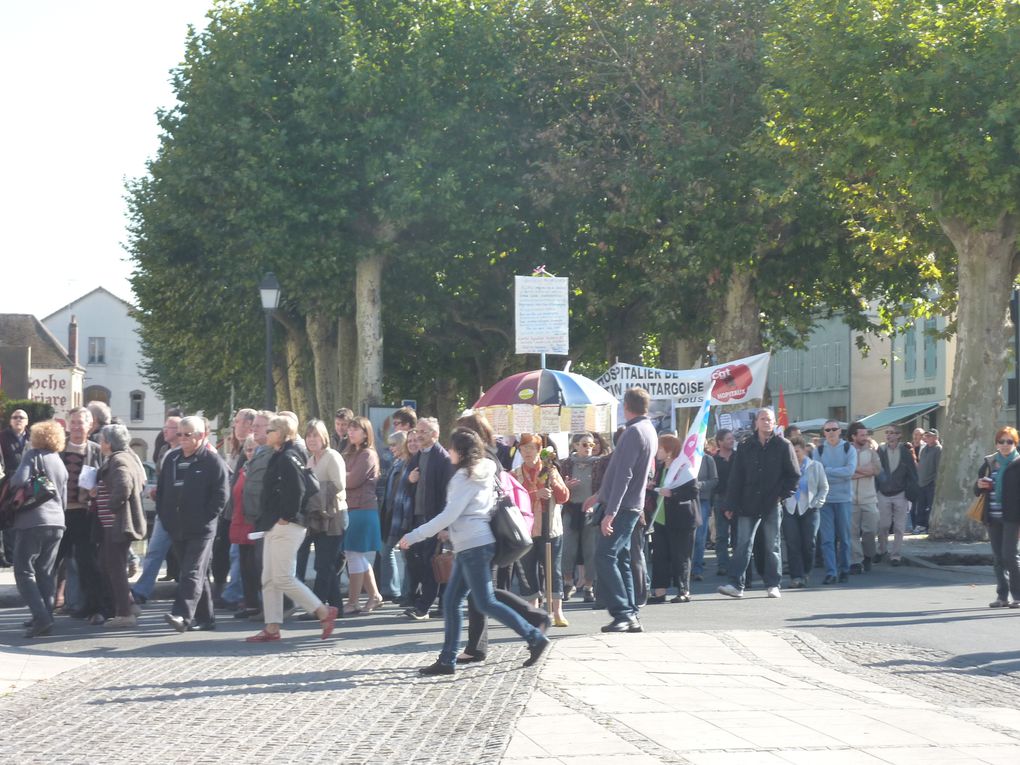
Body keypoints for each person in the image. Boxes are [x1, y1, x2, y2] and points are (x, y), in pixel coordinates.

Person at [399, 428, 550, 675]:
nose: (448, 452)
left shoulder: (463, 478)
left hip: (473, 545)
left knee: (485, 601)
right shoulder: (486, 470)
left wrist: (414, 536)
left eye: (452, 448)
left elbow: (449, 515)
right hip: (474, 544)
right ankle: (447, 660)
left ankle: (534, 636)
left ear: (460, 452)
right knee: (452, 601)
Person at [454, 412, 549, 664]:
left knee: (484, 593)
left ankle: (532, 619)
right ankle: (477, 646)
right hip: (485, 531)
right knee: (480, 592)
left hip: (484, 532)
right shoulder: (489, 456)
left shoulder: (483, 459)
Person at [245, 415, 339, 642]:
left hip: (287, 525)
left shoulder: (287, 457)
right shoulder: (280, 455)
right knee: (269, 578)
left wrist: (286, 517)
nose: (266, 434)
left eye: (270, 430)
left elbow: (296, 490)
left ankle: (323, 611)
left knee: (283, 577)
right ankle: (272, 626)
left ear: (280, 433)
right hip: (274, 524)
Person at [588, 388, 657, 633]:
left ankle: (623, 612)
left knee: (604, 556)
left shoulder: (632, 432)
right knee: (622, 558)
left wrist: (610, 511)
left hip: (623, 506)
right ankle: (631, 613)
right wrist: (600, 498)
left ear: (626, 406)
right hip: (631, 504)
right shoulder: (648, 430)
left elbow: (624, 475)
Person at [718, 408, 800, 600]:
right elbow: (736, 477)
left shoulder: (783, 445)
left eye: (769, 419)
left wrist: (782, 495)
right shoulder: (746, 445)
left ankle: (773, 584)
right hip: (748, 502)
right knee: (743, 544)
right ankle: (736, 584)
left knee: (772, 545)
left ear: (774, 422)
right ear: (756, 422)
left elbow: (794, 475)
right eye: (762, 419)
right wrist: (730, 504)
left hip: (772, 502)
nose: (766, 422)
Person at [157, 416, 230, 633]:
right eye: (179, 434)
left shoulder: (212, 461)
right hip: (176, 526)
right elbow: (162, 491)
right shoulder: (171, 459)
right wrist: (165, 515)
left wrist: (206, 517)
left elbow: (221, 496)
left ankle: (182, 615)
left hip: (201, 529)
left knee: (191, 572)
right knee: (195, 573)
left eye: (187, 434)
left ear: (200, 436)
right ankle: (206, 618)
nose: (182, 438)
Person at [11, 420, 68, 637]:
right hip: (57, 522)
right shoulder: (58, 462)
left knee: (23, 570)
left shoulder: (33, 456)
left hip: (33, 521)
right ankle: (46, 616)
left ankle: (41, 617)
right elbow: (62, 497)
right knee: (45, 572)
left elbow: (18, 481)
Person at [94, 424, 147, 628]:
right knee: (107, 564)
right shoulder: (124, 457)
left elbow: (123, 485)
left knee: (114, 567)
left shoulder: (119, 460)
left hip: (117, 524)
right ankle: (130, 604)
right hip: (114, 524)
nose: (99, 443)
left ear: (108, 442)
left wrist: (110, 504)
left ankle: (125, 613)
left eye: (101, 439)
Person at [513, 433, 570, 626]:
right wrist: (535, 494)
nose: (527, 452)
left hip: (550, 527)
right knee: (528, 570)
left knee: (553, 569)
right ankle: (534, 611)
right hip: (526, 529)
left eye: (531, 448)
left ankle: (557, 611)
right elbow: (512, 501)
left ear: (539, 450)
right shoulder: (515, 474)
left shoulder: (550, 469)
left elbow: (564, 497)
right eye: (524, 448)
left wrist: (553, 482)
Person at [55, 406, 104, 620]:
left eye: (80, 422)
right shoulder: (58, 449)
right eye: (72, 422)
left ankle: (92, 607)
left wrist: (98, 489)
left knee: (87, 562)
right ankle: (42, 609)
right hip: (59, 513)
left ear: (90, 425)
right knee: (51, 562)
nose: (76, 427)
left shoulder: (97, 450)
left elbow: (106, 477)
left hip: (85, 514)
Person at [403, 416, 453, 620]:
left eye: (423, 431)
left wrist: (444, 526)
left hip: (435, 519)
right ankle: (436, 602)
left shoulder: (442, 458)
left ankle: (424, 606)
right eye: (417, 431)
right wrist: (410, 479)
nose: (419, 435)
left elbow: (447, 495)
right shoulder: (417, 456)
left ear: (435, 434)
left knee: (430, 562)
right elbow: (408, 485)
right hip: (418, 517)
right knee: (418, 560)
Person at [648, 434, 699, 603]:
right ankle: (660, 591)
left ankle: (683, 590)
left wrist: (672, 493)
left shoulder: (683, 467)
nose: (657, 452)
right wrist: (652, 487)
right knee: (659, 555)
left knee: (681, 555)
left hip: (681, 519)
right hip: (660, 518)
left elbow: (693, 491)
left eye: (660, 448)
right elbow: (659, 487)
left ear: (669, 451)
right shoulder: (661, 467)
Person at [304, 419, 347, 611]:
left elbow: (338, 485)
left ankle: (319, 608)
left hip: (334, 517)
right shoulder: (310, 460)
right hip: (317, 518)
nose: (312, 439)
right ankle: (336, 607)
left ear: (324, 437)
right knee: (324, 565)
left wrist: (314, 494)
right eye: (309, 435)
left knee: (324, 564)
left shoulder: (332, 456)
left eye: (315, 435)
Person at [559, 433, 607, 603]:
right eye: (585, 444)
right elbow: (556, 488)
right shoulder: (565, 464)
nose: (589, 448)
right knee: (567, 549)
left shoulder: (599, 463)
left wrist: (595, 500)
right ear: (575, 446)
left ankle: (588, 586)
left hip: (590, 511)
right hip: (571, 509)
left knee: (590, 549)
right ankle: (567, 582)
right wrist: (564, 486)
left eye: (591, 445)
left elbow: (604, 486)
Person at [342, 415, 383, 615]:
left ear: (366, 432)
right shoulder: (350, 453)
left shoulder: (368, 454)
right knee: (355, 554)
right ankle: (374, 596)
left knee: (353, 554)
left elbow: (352, 481)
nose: (350, 432)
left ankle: (353, 601)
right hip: (351, 508)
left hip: (363, 509)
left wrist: (336, 476)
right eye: (350, 428)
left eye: (355, 429)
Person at [978, 426, 1020, 608]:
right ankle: (1001, 596)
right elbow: (977, 489)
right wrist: (979, 484)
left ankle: (1017, 596)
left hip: (1012, 517)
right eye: (1001, 441)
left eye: (1009, 441)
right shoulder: (989, 463)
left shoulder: (1018, 463)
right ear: (996, 443)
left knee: (1009, 555)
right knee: (997, 557)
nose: (1004, 445)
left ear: (1015, 443)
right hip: (992, 516)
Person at [781, 436, 828, 588]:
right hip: (790, 507)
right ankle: (796, 576)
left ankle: (806, 572)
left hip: (810, 508)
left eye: (797, 451)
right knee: (792, 543)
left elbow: (824, 487)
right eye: (792, 452)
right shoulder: (786, 467)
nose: (795, 455)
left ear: (804, 450)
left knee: (809, 543)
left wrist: (817, 503)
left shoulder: (815, 466)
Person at [816, 420, 857, 585]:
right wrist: (834, 473)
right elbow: (817, 474)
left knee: (845, 538)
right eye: (828, 430)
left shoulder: (849, 448)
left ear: (840, 431)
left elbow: (849, 471)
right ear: (824, 432)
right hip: (825, 500)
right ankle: (831, 572)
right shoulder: (818, 450)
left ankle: (845, 569)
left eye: (834, 429)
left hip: (844, 499)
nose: (831, 432)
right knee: (827, 539)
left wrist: (827, 471)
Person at [228, 435, 261, 618]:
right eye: (248, 449)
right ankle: (250, 605)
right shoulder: (243, 469)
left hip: (254, 523)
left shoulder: (259, 470)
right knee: (245, 567)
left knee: (255, 567)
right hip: (241, 521)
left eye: (254, 449)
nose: (250, 453)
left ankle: (260, 604)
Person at [876, 426, 918, 566]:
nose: (889, 436)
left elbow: (912, 474)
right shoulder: (880, 451)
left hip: (900, 493)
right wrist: (877, 489)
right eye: (887, 433)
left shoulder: (905, 452)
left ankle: (896, 555)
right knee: (883, 525)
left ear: (898, 435)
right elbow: (876, 471)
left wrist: (911, 493)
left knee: (900, 527)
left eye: (892, 433)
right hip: (883, 493)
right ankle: (882, 550)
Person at [378, 430, 409, 602]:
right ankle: (393, 589)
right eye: (390, 445)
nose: (391, 448)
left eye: (394, 444)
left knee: (394, 552)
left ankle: (397, 590)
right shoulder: (397, 463)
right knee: (387, 550)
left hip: (400, 515)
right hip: (390, 514)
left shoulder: (406, 463)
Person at [849, 422, 880, 575]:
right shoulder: (846, 450)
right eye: (862, 435)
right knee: (852, 532)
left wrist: (856, 470)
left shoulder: (872, 451)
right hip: (851, 499)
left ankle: (868, 555)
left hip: (869, 498)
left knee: (870, 530)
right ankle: (856, 561)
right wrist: (866, 472)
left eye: (866, 434)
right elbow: (846, 473)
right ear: (853, 436)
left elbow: (877, 469)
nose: (865, 437)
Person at [1, 408, 31, 567]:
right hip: (7, 484)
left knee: (25, 518)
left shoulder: (32, 438)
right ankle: (8, 555)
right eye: (15, 417)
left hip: (28, 485)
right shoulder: (2, 437)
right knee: (7, 519)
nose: (18, 419)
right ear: (10, 421)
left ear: (27, 422)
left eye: (21, 417)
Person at [712, 428, 737, 576]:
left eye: (732, 438)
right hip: (720, 498)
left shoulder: (739, 457)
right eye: (728, 439)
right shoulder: (714, 460)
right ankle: (723, 564)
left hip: (736, 499)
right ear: (720, 442)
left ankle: (737, 563)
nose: (731, 441)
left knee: (737, 533)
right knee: (721, 534)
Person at [691, 452, 718, 581]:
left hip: (702, 500)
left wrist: (700, 485)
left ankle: (697, 569)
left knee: (700, 537)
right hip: (685, 500)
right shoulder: (683, 457)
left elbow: (714, 480)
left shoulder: (707, 459)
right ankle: (685, 569)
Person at [914, 428, 941, 533]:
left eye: (930, 436)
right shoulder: (924, 449)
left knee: (930, 506)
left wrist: (935, 482)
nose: (927, 437)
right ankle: (920, 525)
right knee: (920, 506)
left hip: (931, 483)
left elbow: (938, 467)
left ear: (936, 437)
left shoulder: (938, 449)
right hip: (921, 483)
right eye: (926, 436)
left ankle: (929, 526)